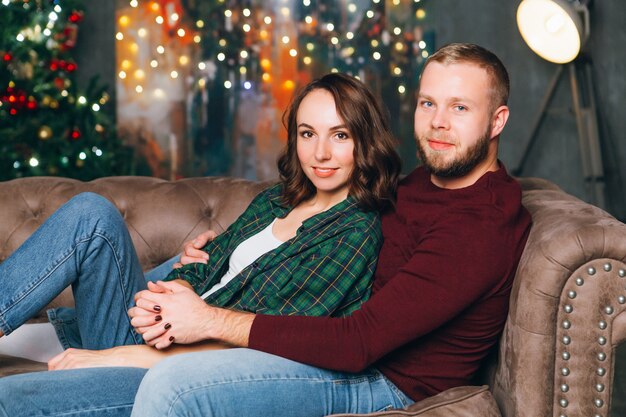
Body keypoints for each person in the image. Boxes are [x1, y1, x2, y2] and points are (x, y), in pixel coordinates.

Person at [0, 42, 533, 417]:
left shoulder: (478, 227)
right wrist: (184, 275)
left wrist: (199, 317)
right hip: (235, 331)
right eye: (428, 103)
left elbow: (358, 341)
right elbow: (328, 210)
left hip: (380, 381)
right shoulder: (415, 184)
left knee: (168, 385)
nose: (439, 122)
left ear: (497, 120)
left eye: (460, 107)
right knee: (92, 216)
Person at [0, 74, 400, 369]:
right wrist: (162, 298)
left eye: (340, 135)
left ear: (364, 141)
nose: (321, 152)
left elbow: (279, 340)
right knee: (92, 212)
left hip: (179, 362)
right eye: (308, 133)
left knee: (92, 215)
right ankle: (36, 334)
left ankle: (50, 337)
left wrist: (122, 354)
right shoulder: (274, 202)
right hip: (156, 330)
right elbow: (204, 270)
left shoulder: (353, 232)